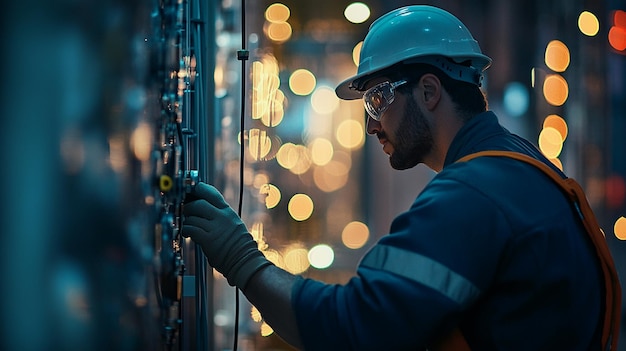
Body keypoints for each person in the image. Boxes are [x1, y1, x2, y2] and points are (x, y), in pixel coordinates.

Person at [182, 5, 620, 350]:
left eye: (377, 99)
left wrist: (243, 261)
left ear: (429, 91)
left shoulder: (473, 195)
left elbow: (354, 327)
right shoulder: (519, 165)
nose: (371, 125)